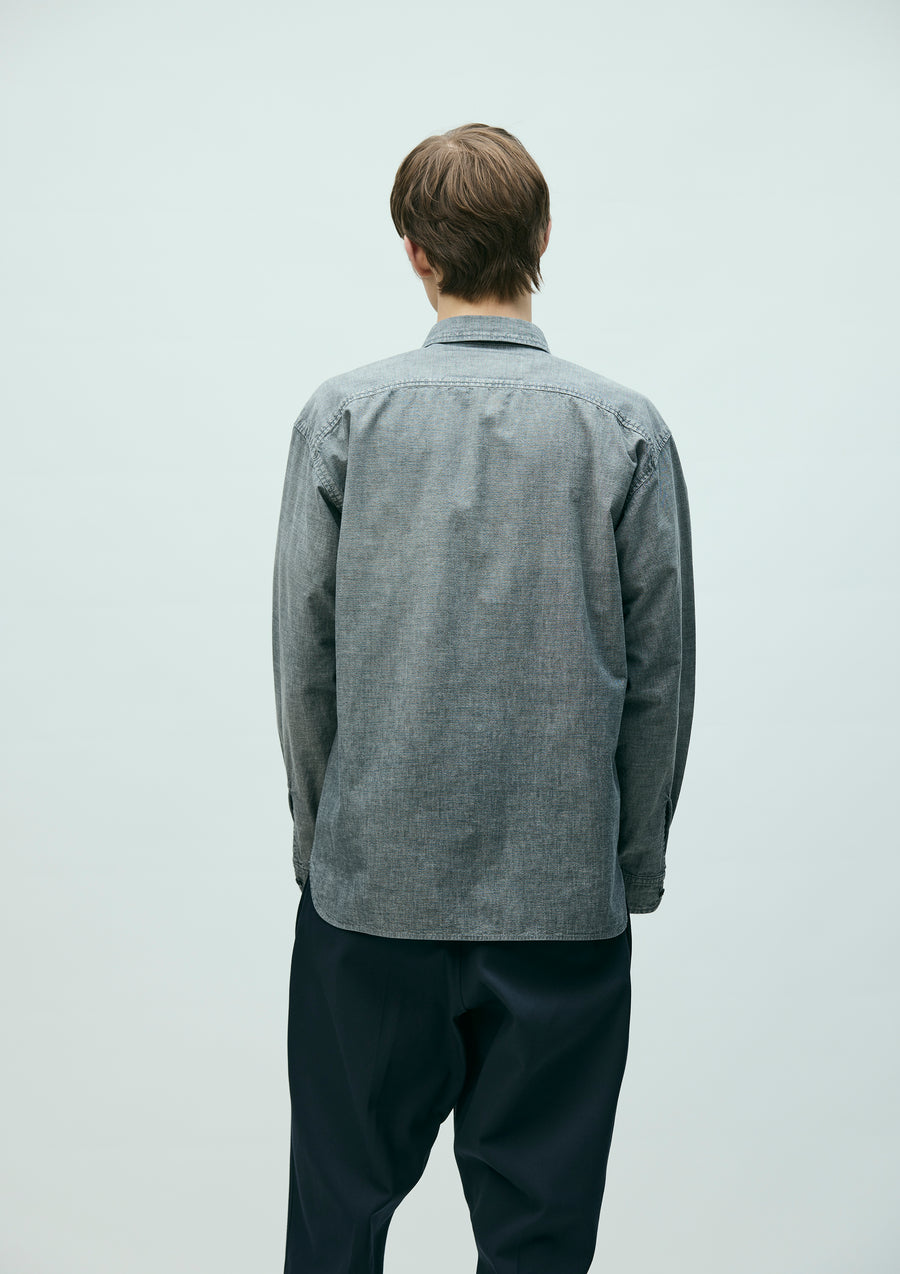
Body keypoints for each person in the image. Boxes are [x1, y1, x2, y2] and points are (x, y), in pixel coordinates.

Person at [272, 121, 696, 1274]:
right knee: (541, 1244)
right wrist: (628, 866)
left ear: (414, 251)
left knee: (333, 1228)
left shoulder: (344, 416)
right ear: (544, 236)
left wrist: (324, 845)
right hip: (560, 905)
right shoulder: (624, 430)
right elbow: (661, 678)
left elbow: (303, 662)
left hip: (372, 900)